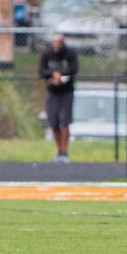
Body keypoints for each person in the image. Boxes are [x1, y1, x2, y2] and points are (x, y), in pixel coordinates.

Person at [39, 34, 79, 163]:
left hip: (66, 92)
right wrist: (52, 75)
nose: (56, 44)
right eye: (55, 42)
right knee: (54, 122)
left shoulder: (70, 53)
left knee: (64, 122)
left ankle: (64, 152)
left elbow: (74, 69)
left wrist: (61, 76)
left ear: (63, 43)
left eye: (59, 42)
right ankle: (59, 151)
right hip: (52, 92)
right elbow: (41, 71)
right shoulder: (47, 53)